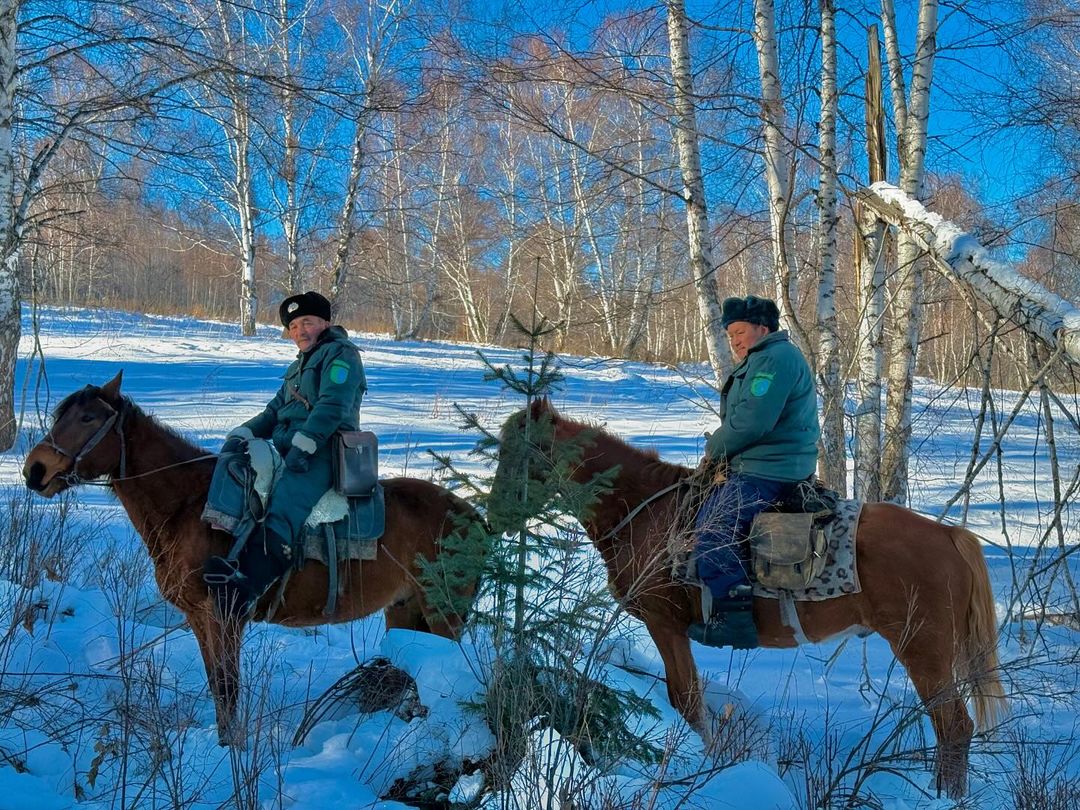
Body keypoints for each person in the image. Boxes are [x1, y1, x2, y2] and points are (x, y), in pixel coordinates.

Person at [204, 290, 366, 619]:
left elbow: (333, 406)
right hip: (289, 447)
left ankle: (247, 587)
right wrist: (242, 434)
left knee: (285, 502)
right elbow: (273, 411)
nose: (299, 331)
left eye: (307, 322)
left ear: (325, 323)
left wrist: (305, 445)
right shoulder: (297, 367)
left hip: (325, 450)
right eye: (293, 326)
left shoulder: (341, 356)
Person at [687, 295, 819, 649]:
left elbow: (751, 422)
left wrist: (715, 449)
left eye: (740, 332)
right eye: (730, 335)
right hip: (764, 462)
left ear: (762, 328)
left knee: (713, 533)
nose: (734, 341)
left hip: (769, 469)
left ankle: (736, 622)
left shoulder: (773, 360)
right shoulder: (765, 358)